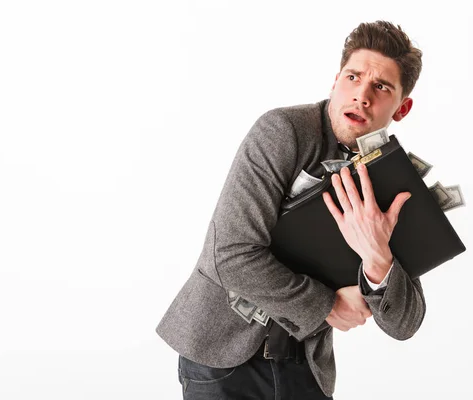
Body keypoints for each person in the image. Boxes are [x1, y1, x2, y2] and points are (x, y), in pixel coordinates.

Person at [156, 20, 426, 399]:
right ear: (335, 81)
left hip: (306, 369)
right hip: (224, 360)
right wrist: (326, 305)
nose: (361, 95)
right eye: (353, 77)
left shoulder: (394, 184)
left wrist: (379, 259)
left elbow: (405, 323)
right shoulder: (282, 131)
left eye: (381, 87)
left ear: (403, 108)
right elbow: (227, 254)